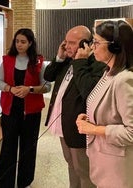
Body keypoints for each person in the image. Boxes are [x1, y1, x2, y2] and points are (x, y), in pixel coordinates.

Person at [44, 25, 106, 188]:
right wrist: (59, 56)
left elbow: (88, 91)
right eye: (65, 42)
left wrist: (80, 61)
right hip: (64, 126)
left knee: (84, 171)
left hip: (80, 130)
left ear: (85, 44)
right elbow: (48, 75)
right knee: (71, 166)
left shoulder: (96, 64)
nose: (67, 46)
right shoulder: (66, 60)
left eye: (72, 43)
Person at [76, 20, 133, 188]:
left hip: (117, 171)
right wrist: (89, 117)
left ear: (114, 47)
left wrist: (93, 129)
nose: (92, 47)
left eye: (96, 42)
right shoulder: (108, 73)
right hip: (103, 162)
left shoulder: (124, 80)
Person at [0, 28, 51, 188]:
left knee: (28, 148)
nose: (19, 44)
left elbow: (47, 86)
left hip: (31, 113)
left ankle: (25, 182)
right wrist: (10, 89)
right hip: (10, 111)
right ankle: (4, 183)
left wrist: (30, 89)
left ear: (30, 43)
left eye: (23, 42)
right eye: (17, 41)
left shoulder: (38, 62)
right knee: (8, 148)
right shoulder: (7, 60)